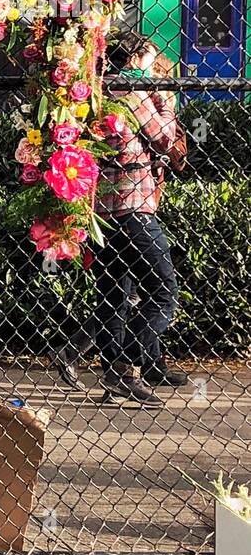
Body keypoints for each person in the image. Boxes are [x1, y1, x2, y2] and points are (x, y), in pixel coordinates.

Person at [85, 30, 184, 407]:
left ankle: (115, 379)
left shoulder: (97, 87)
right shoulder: (131, 87)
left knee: (114, 296)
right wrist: (166, 100)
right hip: (133, 206)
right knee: (164, 292)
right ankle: (125, 365)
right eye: (149, 59)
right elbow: (163, 138)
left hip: (102, 213)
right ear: (135, 59)